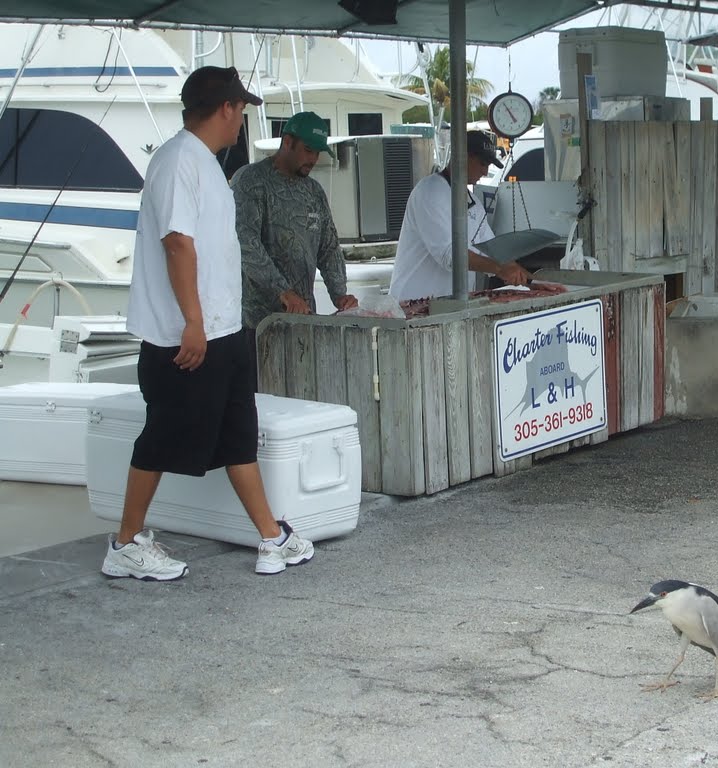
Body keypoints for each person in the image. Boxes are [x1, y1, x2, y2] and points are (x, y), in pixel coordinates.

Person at [101, 66, 315, 581]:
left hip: (225, 328)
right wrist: (192, 322)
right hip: (187, 336)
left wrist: (215, 322)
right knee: (163, 436)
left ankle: (271, 535)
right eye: (241, 110)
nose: (240, 119)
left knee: (238, 434)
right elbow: (178, 242)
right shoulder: (178, 160)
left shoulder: (208, 164)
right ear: (227, 109)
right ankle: (125, 542)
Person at [231, 111, 358, 363]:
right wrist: (283, 291)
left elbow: (329, 247)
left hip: (302, 324)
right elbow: (246, 244)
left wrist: (339, 293)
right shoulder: (250, 181)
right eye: (308, 150)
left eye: (318, 152)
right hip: (255, 326)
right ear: (287, 142)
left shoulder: (314, 191)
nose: (313, 159)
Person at [388, 130, 531, 301]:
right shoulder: (430, 192)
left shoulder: (473, 203)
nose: (485, 172)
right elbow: (450, 256)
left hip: (449, 305)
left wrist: (529, 280)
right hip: (413, 304)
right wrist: (500, 269)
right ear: (463, 157)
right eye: (482, 163)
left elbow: (492, 250)